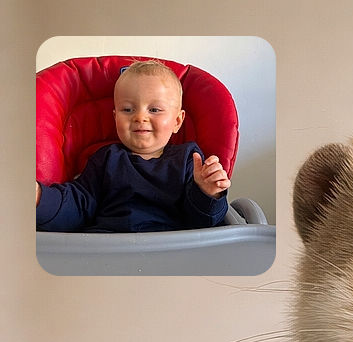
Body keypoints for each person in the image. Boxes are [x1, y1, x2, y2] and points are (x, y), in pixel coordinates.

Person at [36, 59, 231, 232]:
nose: (140, 117)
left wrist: (207, 193)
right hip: (109, 250)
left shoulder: (190, 159)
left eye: (154, 109)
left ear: (177, 121)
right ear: (115, 118)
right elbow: (78, 204)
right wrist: (40, 199)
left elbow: (203, 223)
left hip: (171, 251)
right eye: (128, 109)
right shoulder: (106, 159)